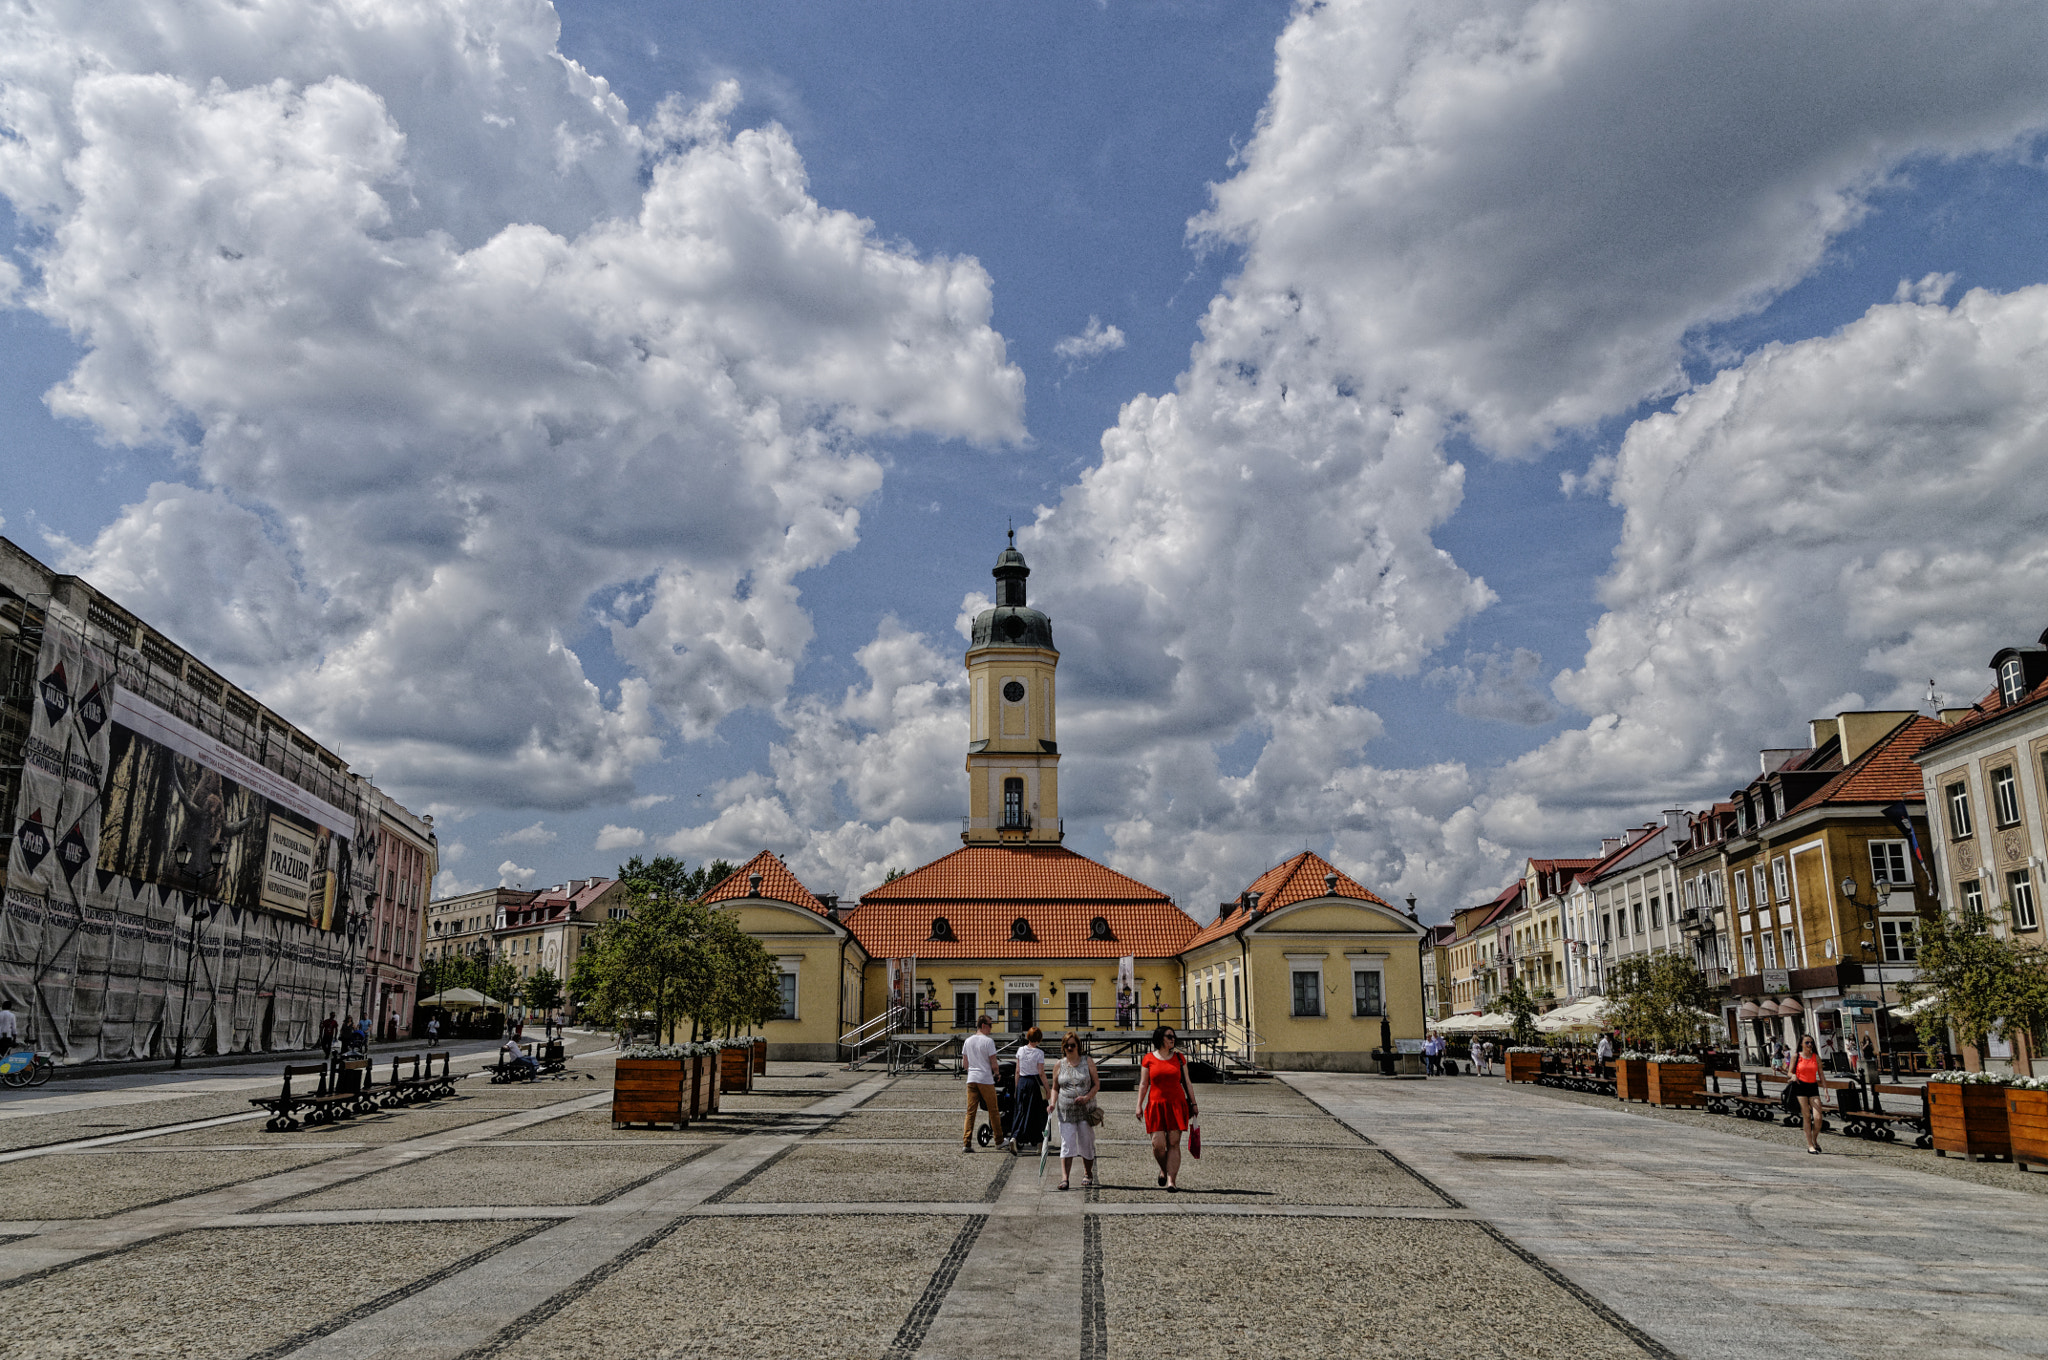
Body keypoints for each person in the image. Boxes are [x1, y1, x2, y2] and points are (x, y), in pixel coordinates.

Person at [1135, 1025, 1196, 1191]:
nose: (1173, 1039)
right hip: (1155, 1105)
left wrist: (1194, 1103)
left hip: (1176, 1104)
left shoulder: (1179, 1058)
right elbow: (1143, 1083)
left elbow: (1187, 1082)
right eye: (1169, 1036)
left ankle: (1171, 1180)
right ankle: (1163, 1168)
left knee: (1174, 1143)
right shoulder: (1148, 1058)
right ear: (1160, 1038)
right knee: (1158, 1144)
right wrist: (1139, 1105)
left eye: (1174, 1036)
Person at [1052, 1030, 1100, 1190]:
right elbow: (1055, 1088)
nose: (1070, 1048)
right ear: (1063, 1047)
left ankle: (1088, 1173)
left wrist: (1087, 1098)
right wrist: (1051, 1103)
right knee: (1067, 1144)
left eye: (1073, 1045)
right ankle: (1065, 1178)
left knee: (1086, 1142)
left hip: (1085, 1110)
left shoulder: (1087, 1061)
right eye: (1067, 1045)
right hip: (1065, 1111)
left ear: (1078, 1046)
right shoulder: (1059, 1064)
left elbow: (1096, 1084)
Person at [961, 1014, 1003, 1152]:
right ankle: (999, 1140)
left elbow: (965, 1064)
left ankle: (967, 1143)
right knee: (994, 1110)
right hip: (985, 1079)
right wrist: (997, 1074)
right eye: (990, 1025)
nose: (991, 1028)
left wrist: (972, 1071)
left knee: (970, 1112)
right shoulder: (988, 1041)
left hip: (971, 1079)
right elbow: (994, 1063)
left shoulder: (968, 1041)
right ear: (983, 1025)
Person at [1780, 1033, 1826, 1153]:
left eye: (1811, 1042)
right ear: (1801, 1044)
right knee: (1806, 1116)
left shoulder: (1816, 1057)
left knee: (1818, 1117)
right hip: (1800, 1087)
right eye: (1807, 1042)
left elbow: (1821, 1074)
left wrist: (1826, 1090)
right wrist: (1793, 1075)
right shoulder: (1796, 1056)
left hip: (1813, 1087)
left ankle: (1815, 1140)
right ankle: (1810, 1144)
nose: (1809, 1044)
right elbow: (1789, 1072)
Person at [1007, 1026, 1048, 1151]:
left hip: (1022, 1083)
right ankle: (1038, 1141)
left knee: (1021, 1111)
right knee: (1037, 1112)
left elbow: (1017, 1071)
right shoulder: (1039, 1053)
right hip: (1033, 1083)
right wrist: (1048, 1089)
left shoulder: (1020, 1050)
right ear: (1039, 1039)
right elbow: (1041, 1073)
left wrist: (1016, 1088)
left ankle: (1015, 1137)